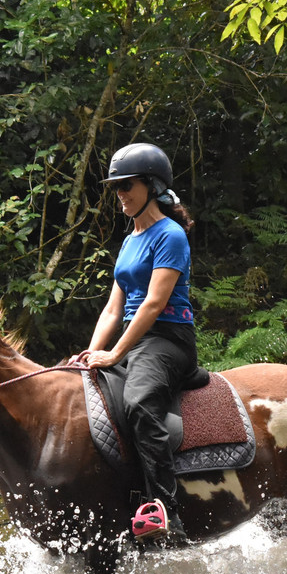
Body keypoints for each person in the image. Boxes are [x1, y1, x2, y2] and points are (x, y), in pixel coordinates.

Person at [69, 142, 197, 543]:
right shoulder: (129, 241)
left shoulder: (170, 235)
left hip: (167, 340)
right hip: (133, 337)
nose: (121, 193)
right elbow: (113, 308)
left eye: (128, 185)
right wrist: (91, 353)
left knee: (139, 402)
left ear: (153, 186)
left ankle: (164, 511)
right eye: (116, 187)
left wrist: (117, 352)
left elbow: (155, 303)